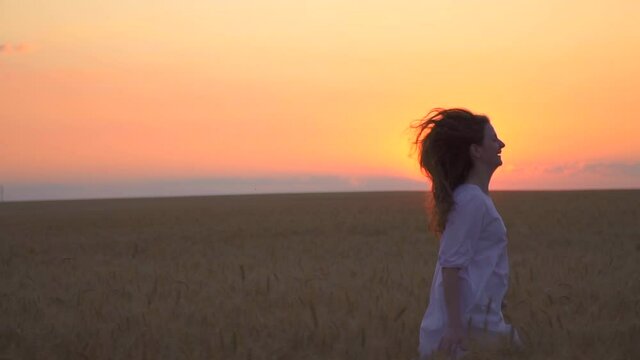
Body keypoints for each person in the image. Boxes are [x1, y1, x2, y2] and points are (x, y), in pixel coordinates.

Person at [412, 108, 521, 359]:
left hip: (478, 321)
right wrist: (454, 327)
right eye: (493, 139)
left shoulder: (473, 199)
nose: (501, 144)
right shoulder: (471, 201)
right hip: (466, 331)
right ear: (476, 151)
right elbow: (451, 266)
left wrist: (494, 296)